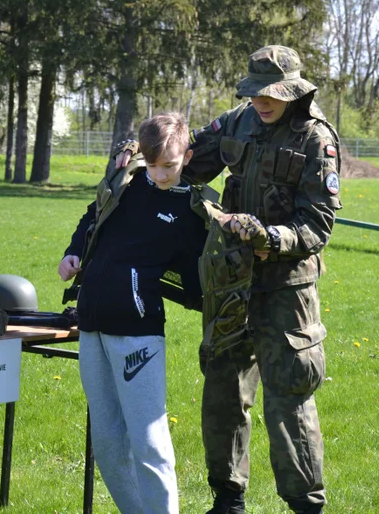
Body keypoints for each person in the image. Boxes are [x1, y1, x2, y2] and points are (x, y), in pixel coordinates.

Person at [116, 46, 342, 514]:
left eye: (270, 94)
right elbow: (187, 156)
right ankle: (227, 499)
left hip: (287, 289)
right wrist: (141, 157)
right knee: (223, 390)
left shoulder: (315, 139)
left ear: (293, 91)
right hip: (230, 281)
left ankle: (306, 506)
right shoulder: (238, 121)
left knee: (289, 398)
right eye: (254, 92)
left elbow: (317, 225)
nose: (260, 101)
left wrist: (270, 237)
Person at [58, 112, 211, 514]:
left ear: (187, 156)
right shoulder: (125, 185)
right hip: (90, 324)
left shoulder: (193, 211)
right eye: (153, 164)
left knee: (148, 441)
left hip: (138, 333)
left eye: (170, 166)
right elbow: (92, 217)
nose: (160, 175)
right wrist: (73, 251)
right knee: (106, 443)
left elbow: (202, 280)